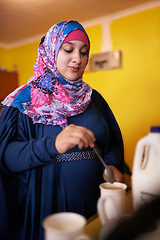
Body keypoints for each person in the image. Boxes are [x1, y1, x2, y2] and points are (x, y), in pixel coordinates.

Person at [0, 20, 124, 240]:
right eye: (68, 49)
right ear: (51, 50)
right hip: (47, 206)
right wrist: (54, 144)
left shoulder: (93, 99)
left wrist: (113, 164)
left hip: (98, 205)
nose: (77, 58)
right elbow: (7, 157)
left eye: (84, 52)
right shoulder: (25, 100)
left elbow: (111, 141)